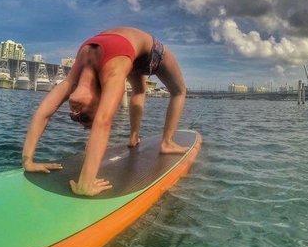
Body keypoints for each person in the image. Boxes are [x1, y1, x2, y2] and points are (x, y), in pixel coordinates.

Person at [22, 27, 187, 196]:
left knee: (179, 91)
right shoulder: (76, 77)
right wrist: (28, 161)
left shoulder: (112, 71)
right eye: (81, 118)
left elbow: (103, 121)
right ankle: (133, 137)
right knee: (138, 90)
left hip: (151, 52)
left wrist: (85, 184)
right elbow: (43, 114)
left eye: (83, 118)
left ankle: (166, 142)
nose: (76, 115)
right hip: (126, 50)